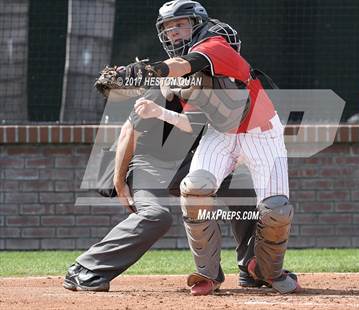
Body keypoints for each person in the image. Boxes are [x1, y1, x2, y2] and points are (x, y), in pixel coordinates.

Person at [132, 0, 301, 296]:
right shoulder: (180, 75)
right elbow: (190, 122)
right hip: (220, 133)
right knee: (195, 187)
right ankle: (208, 274)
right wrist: (159, 109)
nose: (173, 33)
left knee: (275, 209)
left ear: (197, 24)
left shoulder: (214, 44)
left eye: (180, 24)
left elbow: (184, 64)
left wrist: (149, 71)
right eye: (168, 28)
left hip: (260, 129)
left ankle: (269, 271)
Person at [63, 76, 261, 291]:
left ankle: (251, 270)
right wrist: (119, 182)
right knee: (156, 215)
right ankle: (85, 268)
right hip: (147, 164)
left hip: (189, 162)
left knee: (244, 189)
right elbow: (128, 133)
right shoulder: (161, 90)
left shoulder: (218, 93)